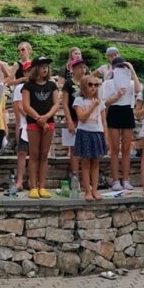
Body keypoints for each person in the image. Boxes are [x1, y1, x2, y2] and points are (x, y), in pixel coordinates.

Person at [22, 56, 60, 199]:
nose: (45, 69)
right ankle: (33, 187)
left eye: (47, 66)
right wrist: (39, 118)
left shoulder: (52, 85)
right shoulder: (28, 85)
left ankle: (42, 186)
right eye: (42, 66)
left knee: (44, 155)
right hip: (34, 122)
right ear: (36, 68)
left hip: (48, 122)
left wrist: (46, 117)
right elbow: (26, 105)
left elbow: (56, 104)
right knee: (34, 154)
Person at [105, 56, 138, 191]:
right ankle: (115, 180)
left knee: (126, 149)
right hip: (114, 111)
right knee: (114, 149)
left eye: (123, 67)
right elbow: (105, 102)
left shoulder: (131, 83)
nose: (121, 69)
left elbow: (139, 89)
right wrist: (117, 96)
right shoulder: (108, 83)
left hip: (127, 111)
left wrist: (132, 70)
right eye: (118, 67)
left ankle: (126, 179)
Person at [74, 75, 107, 201]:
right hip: (85, 132)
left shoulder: (100, 101)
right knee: (86, 163)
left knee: (96, 163)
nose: (93, 87)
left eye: (96, 85)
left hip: (97, 133)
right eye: (90, 84)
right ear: (84, 86)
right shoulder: (79, 100)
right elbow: (82, 118)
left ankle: (95, 190)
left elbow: (104, 121)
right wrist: (93, 106)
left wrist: (106, 137)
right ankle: (87, 190)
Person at [62, 59, 88, 181]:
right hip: (73, 118)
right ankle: (75, 175)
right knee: (74, 148)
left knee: (85, 148)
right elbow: (65, 103)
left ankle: (86, 177)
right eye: (79, 68)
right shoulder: (68, 83)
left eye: (84, 67)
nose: (83, 70)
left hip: (86, 120)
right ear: (73, 69)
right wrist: (69, 121)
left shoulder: (88, 82)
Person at [12, 62, 34, 193]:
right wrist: (32, 117)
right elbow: (19, 106)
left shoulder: (39, 86)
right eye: (28, 71)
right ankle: (19, 181)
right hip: (25, 123)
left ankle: (32, 180)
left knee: (34, 154)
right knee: (22, 153)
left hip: (36, 124)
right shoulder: (20, 87)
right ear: (24, 73)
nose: (30, 73)